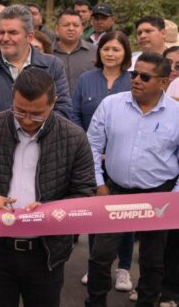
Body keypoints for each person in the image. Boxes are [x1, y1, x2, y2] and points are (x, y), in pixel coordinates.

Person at [0, 67, 95, 307]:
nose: (26, 120)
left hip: (47, 253)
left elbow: (84, 193)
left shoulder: (74, 138)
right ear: (12, 96)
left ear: (54, 102)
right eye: (20, 111)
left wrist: (49, 211)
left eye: (37, 115)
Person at [86, 52, 179, 307]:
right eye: (133, 74)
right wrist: (99, 184)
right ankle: (95, 303)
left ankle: (147, 303)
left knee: (153, 261)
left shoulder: (176, 114)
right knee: (100, 256)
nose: (136, 80)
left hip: (159, 195)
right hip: (115, 191)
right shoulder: (111, 105)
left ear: (163, 82)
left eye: (145, 76)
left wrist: (173, 198)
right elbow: (91, 146)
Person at [72, 30, 137, 296]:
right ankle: (97, 265)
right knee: (97, 213)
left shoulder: (133, 80)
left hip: (123, 159)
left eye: (116, 49)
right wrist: (87, 148)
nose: (110, 53)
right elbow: (75, 114)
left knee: (125, 216)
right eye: (106, 48)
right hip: (90, 158)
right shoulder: (86, 79)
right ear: (99, 52)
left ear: (125, 54)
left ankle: (123, 267)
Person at [0, 4, 72, 119]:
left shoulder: (52, 65)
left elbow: (63, 110)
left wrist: (32, 125)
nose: (5, 38)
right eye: (2, 32)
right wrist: (10, 127)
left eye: (13, 33)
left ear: (30, 36)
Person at [52, 9, 96, 92]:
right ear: (57, 29)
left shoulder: (95, 52)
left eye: (76, 25)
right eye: (66, 25)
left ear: (82, 29)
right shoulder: (46, 52)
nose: (71, 28)